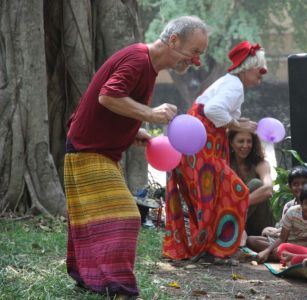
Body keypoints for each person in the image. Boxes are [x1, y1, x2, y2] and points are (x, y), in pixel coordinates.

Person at [64, 16, 208, 299]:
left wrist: (134, 132)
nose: (196, 61)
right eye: (195, 52)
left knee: (91, 219)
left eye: (200, 55)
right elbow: (108, 96)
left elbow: (110, 106)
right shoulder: (138, 60)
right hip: (87, 150)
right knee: (127, 217)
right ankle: (122, 290)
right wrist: (150, 114)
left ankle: (89, 279)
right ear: (173, 40)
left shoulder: (148, 66)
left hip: (98, 149)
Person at [163, 41, 268, 261]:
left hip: (201, 146)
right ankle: (216, 249)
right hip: (202, 146)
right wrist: (238, 125)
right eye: (259, 70)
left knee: (213, 196)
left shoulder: (231, 83)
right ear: (247, 68)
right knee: (235, 192)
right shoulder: (234, 85)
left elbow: (215, 112)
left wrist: (237, 122)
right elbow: (212, 110)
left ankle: (212, 248)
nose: (262, 75)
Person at [247, 183, 307, 263]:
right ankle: (277, 256)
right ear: (301, 204)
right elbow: (282, 238)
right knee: (251, 240)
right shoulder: (292, 212)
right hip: (287, 244)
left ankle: (279, 257)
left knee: (279, 250)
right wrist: (266, 251)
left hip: (303, 250)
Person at [228, 130, 274, 236]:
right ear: (231, 142)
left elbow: (268, 190)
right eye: (241, 141)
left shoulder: (260, 164)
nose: (245, 145)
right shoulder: (226, 165)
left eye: (249, 141)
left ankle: (231, 231)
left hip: (261, 224)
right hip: (239, 221)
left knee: (256, 184)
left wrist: (239, 205)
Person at [260, 165, 307, 240]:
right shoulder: (289, 206)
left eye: (304, 184)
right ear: (289, 187)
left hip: (306, 240)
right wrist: (275, 232)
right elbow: (284, 228)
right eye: (296, 184)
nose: (300, 187)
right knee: (261, 234)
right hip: (288, 237)